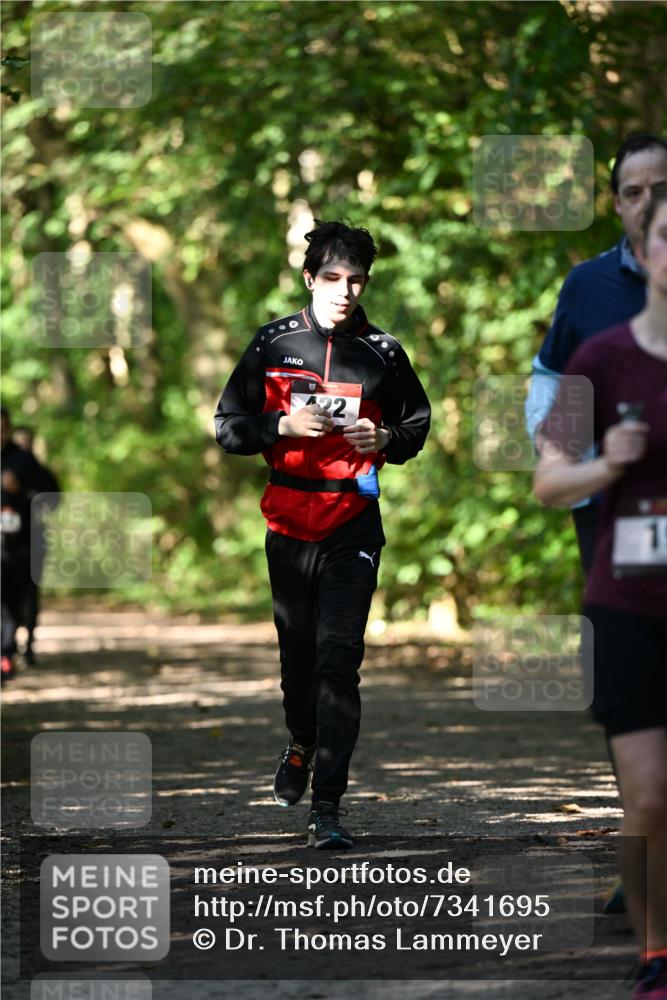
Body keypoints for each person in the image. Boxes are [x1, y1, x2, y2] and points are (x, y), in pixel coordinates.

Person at [214, 220, 431, 849]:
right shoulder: (273, 343)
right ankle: (302, 742)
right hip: (287, 526)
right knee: (299, 667)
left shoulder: (384, 353)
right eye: (332, 278)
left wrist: (385, 438)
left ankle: (328, 808)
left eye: (356, 280)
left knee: (340, 661)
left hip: (353, 525)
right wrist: (281, 427)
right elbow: (228, 428)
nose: (344, 290)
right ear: (310, 279)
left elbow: (416, 425)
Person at [534, 188, 667, 1000]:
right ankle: (656, 951)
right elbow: (550, 482)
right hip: (626, 605)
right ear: (643, 251)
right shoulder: (600, 358)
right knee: (650, 793)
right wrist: (606, 465)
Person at [526, 132, 667, 573]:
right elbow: (549, 377)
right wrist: (579, 467)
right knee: (628, 638)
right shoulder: (587, 287)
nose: (646, 202)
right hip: (615, 513)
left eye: (659, 190)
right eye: (633, 192)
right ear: (618, 205)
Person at [1, 407, 59, 681]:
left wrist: (20, 492)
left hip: (23, 545)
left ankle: (13, 650)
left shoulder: (25, 462)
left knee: (19, 599)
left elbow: (53, 498)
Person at [12, 424, 60, 664]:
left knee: (30, 593)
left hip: (34, 541)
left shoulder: (41, 474)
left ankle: (28, 644)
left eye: (26, 443)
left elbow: (54, 501)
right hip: (7, 545)